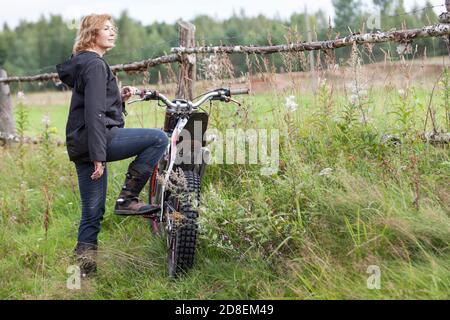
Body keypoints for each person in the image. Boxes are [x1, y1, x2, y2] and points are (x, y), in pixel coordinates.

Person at [56, 14, 168, 276]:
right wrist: (99, 156)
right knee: (158, 138)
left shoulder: (84, 63)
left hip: (83, 143)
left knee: (92, 212)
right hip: (96, 141)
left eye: (113, 28)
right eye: (106, 29)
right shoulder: (95, 64)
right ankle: (128, 198)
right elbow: (94, 112)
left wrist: (119, 98)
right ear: (92, 34)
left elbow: (94, 104)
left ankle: (84, 274)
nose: (112, 32)